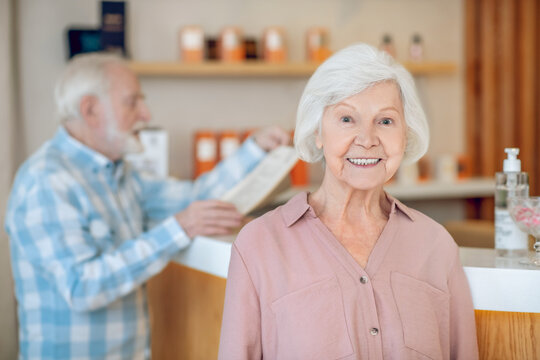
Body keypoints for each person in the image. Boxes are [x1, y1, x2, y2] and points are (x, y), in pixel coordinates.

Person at [4, 52, 289, 359]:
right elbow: (81, 287)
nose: (145, 114)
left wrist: (255, 149)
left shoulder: (121, 174)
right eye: (132, 102)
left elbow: (196, 196)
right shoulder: (46, 181)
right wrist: (179, 228)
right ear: (90, 110)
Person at [218, 43, 479, 359]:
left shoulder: (437, 245)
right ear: (318, 132)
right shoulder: (259, 245)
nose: (367, 139)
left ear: (405, 135)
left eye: (385, 121)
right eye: (346, 119)